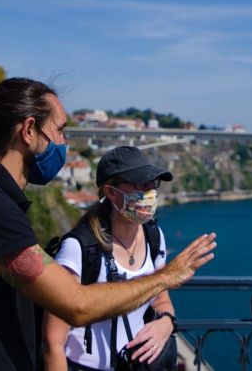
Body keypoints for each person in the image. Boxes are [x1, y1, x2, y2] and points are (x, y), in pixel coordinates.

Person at [0, 78, 216, 370]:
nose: (64, 144)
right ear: (30, 130)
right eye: (60, 131)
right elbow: (77, 305)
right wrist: (167, 276)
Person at [43, 146, 178, 371]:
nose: (149, 192)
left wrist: (166, 323)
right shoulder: (80, 248)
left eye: (152, 183)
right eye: (139, 184)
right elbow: (53, 342)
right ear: (111, 192)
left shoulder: (154, 237)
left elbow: (161, 300)